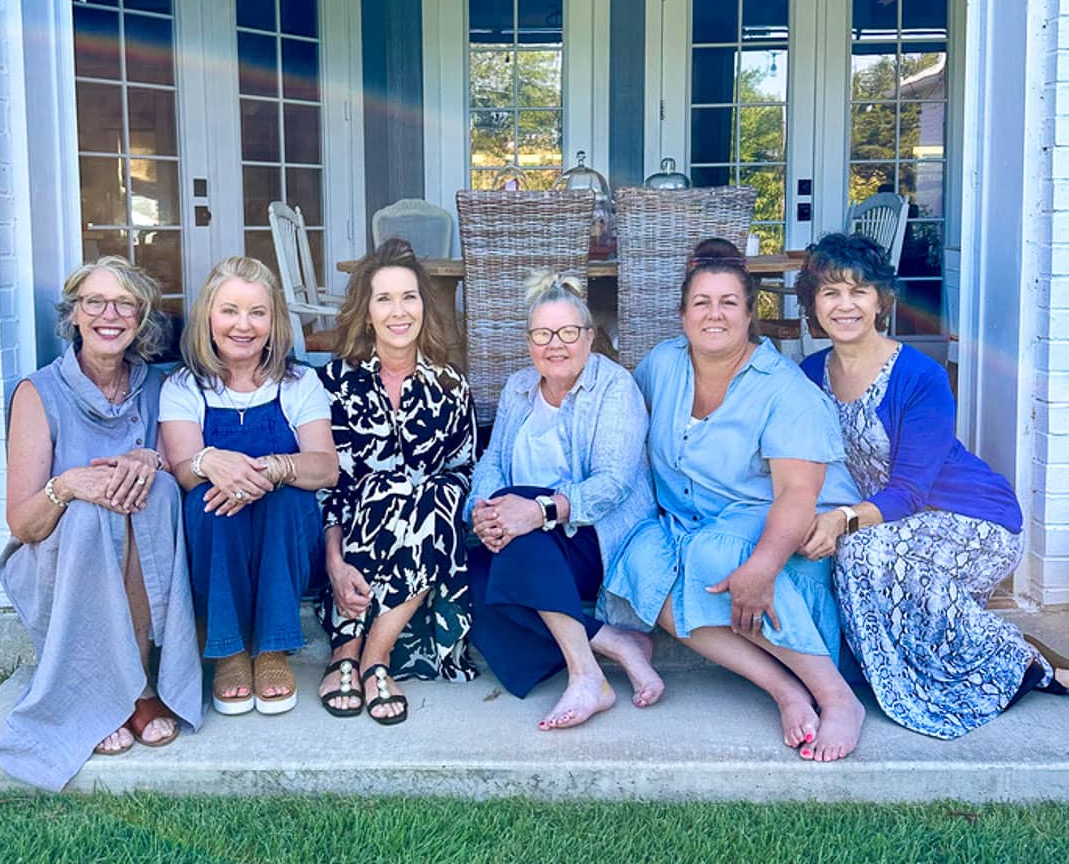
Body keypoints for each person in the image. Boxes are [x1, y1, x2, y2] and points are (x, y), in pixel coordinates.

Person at [601, 240, 866, 762]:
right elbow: (619, 412)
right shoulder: (663, 364)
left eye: (728, 302)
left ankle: (836, 696)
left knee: (715, 556)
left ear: (750, 314)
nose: (714, 314)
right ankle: (786, 690)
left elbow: (796, 494)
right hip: (687, 522)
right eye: (701, 302)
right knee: (639, 560)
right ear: (683, 315)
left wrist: (764, 568)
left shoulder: (783, 390)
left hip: (770, 525)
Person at [797, 230, 1068, 737]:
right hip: (891, 525)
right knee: (853, 552)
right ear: (813, 303)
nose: (845, 304)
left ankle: (1010, 665)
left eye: (859, 291)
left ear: (882, 300)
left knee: (859, 553)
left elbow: (908, 493)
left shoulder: (919, 376)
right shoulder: (811, 372)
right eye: (830, 292)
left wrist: (840, 518)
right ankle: (968, 650)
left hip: (974, 520)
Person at [0, 258, 203, 790]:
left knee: (151, 495)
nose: (110, 315)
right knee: (90, 511)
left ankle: (137, 683)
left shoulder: (161, 387)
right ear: (75, 315)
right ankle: (106, 692)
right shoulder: (38, 393)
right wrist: (67, 486)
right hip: (57, 555)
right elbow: (22, 523)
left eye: (125, 304)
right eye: (95, 302)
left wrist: (150, 461)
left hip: (140, 549)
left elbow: (178, 471)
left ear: (141, 317)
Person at [466, 271, 664, 730]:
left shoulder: (614, 388)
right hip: (531, 541)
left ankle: (585, 674)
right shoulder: (518, 388)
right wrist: (483, 511)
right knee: (472, 577)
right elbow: (492, 461)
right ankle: (612, 642)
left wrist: (534, 511)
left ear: (590, 337)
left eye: (568, 332)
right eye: (542, 334)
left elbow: (612, 485)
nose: (555, 344)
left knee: (517, 520)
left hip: (595, 538)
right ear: (529, 341)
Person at [160, 256, 338, 717]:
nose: (244, 325)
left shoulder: (299, 383)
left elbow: (324, 467)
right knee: (208, 501)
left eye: (257, 312)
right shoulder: (184, 385)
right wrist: (210, 461)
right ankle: (229, 648)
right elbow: (181, 468)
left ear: (274, 321)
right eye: (230, 311)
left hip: (286, 537)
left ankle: (272, 649)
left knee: (286, 500)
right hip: (221, 536)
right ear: (208, 317)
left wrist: (273, 470)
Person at [317, 239, 476, 724]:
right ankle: (349, 649)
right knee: (377, 490)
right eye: (384, 299)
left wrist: (414, 498)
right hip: (353, 545)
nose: (398, 311)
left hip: (426, 559)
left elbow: (463, 471)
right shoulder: (333, 385)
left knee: (435, 491)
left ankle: (367, 656)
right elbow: (328, 485)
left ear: (425, 308)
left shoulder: (451, 387)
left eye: (409, 297)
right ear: (366, 313)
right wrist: (334, 563)